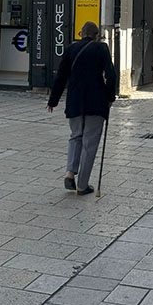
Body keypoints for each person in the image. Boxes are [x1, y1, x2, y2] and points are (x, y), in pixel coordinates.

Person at [47, 21, 116, 195]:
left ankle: (70, 172)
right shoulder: (101, 48)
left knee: (76, 136)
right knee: (90, 142)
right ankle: (82, 185)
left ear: (81, 33)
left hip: (75, 100)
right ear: (97, 35)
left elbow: (61, 76)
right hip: (96, 101)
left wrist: (53, 101)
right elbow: (111, 75)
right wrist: (110, 97)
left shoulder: (71, 49)